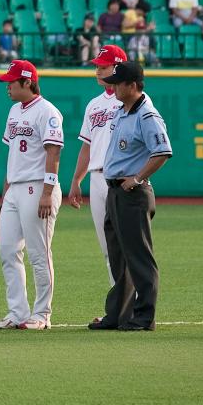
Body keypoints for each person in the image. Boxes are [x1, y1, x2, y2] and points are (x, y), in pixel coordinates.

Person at [88, 61, 172, 332]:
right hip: (115, 191)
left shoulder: (147, 115)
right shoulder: (122, 111)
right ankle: (117, 314)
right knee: (118, 258)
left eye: (118, 82)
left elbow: (162, 151)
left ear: (132, 85)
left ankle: (144, 317)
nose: (113, 86)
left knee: (139, 257)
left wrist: (137, 178)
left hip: (133, 193)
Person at [0, 59, 65, 331]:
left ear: (27, 82)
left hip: (38, 187)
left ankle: (42, 314)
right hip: (15, 188)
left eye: (11, 82)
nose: (7, 86)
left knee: (38, 253)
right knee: (8, 250)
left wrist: (48, 191)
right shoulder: (14, 111)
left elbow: (53, 153)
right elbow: (13, 156)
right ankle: (17, 312)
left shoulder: (48, 112)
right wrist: (4, 196)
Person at [67, 44, 127, 287]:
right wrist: (76, 180)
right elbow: (87, 146)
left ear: (118, 67)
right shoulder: (94, 104)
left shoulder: (134, 99)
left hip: (124, 178)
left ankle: (133, 307)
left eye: (103, 67)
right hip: (97, 177)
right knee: (107, 248)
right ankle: (117, 306)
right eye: (97, 67)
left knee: (127, 246)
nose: (98, 71)